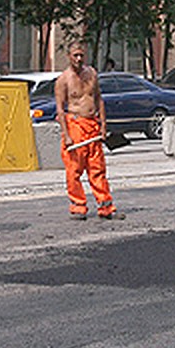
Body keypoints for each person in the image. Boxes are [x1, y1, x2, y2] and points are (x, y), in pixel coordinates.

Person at [55, 40, 122, 220]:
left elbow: (99, 99)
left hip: (92, 125)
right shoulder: (63, 80)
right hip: (75, 126)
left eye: (81, 55)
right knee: (74, 170)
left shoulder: (91, 74)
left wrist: (103, 125)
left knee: (97, 168)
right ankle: (78, 206)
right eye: (75, 55)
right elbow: (60, 109)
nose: (78, 58)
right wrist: (67, 135)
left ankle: (106, 207)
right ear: (69, 57)